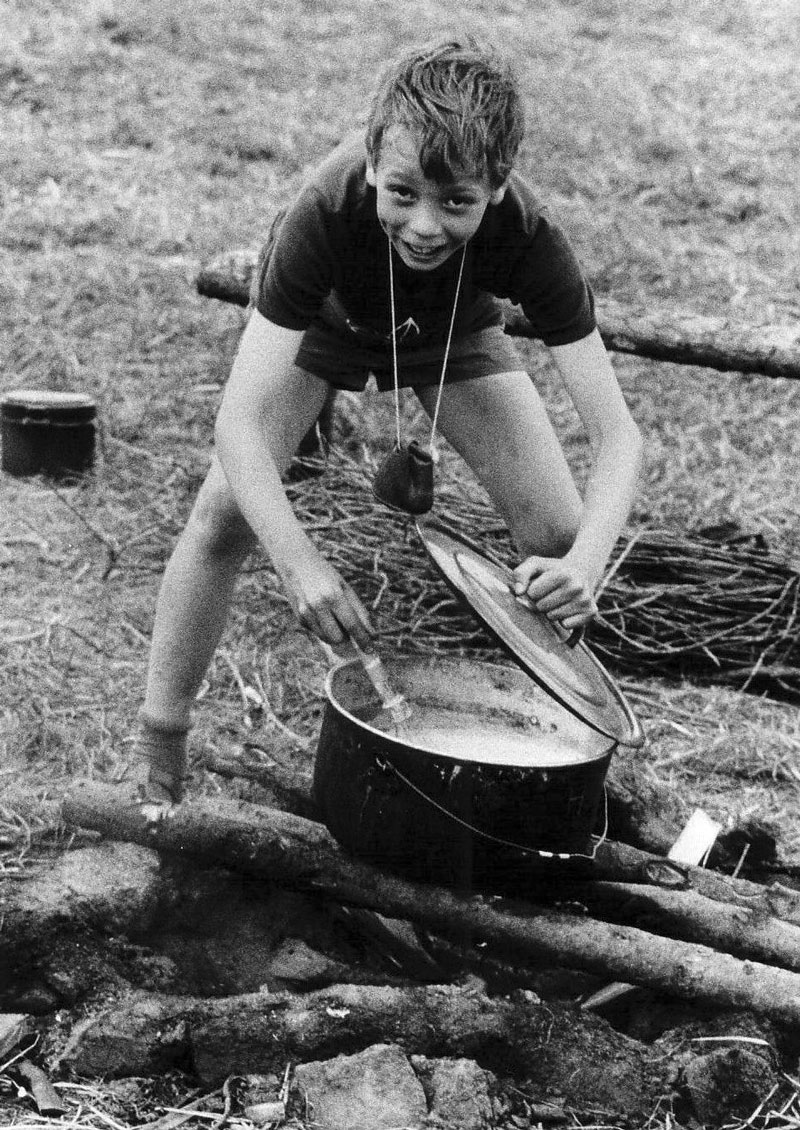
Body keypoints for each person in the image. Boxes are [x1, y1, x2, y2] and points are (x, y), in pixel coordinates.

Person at [135, 37, 643, 804]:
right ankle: (160, 752)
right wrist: (301, 565)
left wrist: (585, 565)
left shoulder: (531, 238)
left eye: (457, 203)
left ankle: (560, 751)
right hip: (323, 324)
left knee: (559, 532)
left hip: (450, 329)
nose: (425, 225)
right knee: (224, 515)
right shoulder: (325, 210)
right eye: (401, 193)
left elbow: (619, 435)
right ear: (372, 163)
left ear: (498, 187)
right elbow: (238, 424)